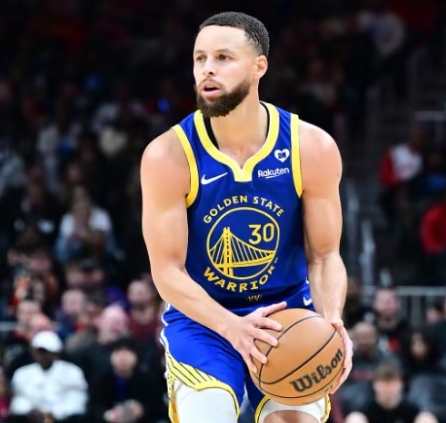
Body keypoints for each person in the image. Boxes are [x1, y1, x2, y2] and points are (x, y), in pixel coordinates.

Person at [140, 11, 353, 423]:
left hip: (286, 314)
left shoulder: (311, 147)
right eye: (200, 58)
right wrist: (232, 327)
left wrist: (331, 319)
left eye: (223, 57)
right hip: (204, 319)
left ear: (259, 67)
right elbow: (167, 271)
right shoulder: (167, 155)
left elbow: (325, 256)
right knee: (211, 413)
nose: (208, 69)